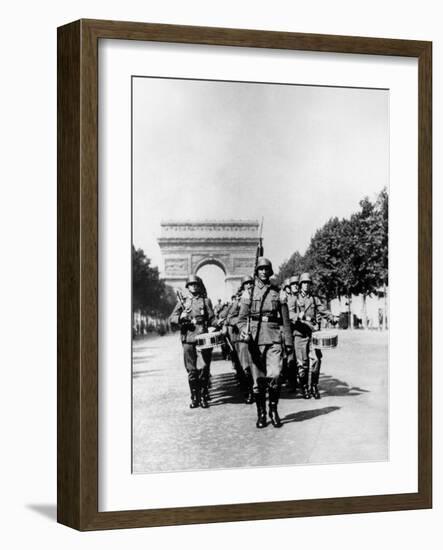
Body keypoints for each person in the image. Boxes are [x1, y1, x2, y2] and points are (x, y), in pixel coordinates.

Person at [236, 258, 293, 428]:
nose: (263, 272)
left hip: (274, 337)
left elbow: (285, 320)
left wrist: (288, 342)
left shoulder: (278, 292)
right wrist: (242, 330)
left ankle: (273, 410)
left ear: (270, 271)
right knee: (259, 380)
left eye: (266, 269)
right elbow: (241, 319)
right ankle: (261, 413)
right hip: (255, 340)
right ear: (256, 271)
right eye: (260, 269)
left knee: (275, 375)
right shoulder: (248, 292)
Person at [169, 275, 216, 409]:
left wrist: (218, 323)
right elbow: (171, 318)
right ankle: (194, 397)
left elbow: (212, 318)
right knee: (191, 370)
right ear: (188, 287)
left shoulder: (206, 301)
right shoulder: (183, 302)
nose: (194, 287)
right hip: (188, 338)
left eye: (196, 284)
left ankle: (203, 395)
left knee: (203, 368)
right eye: (191, 285)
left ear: (199, 286)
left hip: (202, 337)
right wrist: (180, 317)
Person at [288, 272, 332, 400]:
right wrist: (297, 316)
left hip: (313, 334)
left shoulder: (314, 299)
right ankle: (304, 388)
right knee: (302, 363)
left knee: (317, 360)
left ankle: (313, 385)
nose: (306, 285)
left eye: (308, 283)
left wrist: (331, 317)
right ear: (300, 285)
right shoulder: (294, 299)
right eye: (304, 283)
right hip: (300, 334)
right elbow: (289, 314)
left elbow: (323, 310)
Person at [224, 276, 255, 404]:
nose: (249, 285)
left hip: (258, 335)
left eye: (251, 283)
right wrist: (241, 323)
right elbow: (229, 318)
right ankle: (249, 391)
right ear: (242, 287)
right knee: (246, 365)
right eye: (246, 284)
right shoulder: (238, 301)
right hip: (242, 337)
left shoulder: (258, 298)